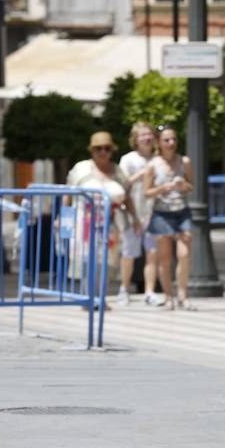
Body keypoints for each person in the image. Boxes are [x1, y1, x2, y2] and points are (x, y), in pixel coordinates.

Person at [64, 131, 137, 301]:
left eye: (107, 148)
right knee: (85, 260)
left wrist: (135, 220)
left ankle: (100, 297)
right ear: (92, 150)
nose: (103, 152)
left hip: (111, 223)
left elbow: (127, 196)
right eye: (99, 149)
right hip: (84, 222)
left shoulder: (118, 171)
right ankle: (87, 296)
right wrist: (63, 218)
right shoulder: (81, 168)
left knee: (106, 261)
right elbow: (67, 194)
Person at [144, 127, 196, 311]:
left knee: (184, 254)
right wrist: (161, 189)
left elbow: (191, 186)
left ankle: (182, 295)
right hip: (162, 214)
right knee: (164, 258)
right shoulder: (153, 165)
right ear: (159, 142)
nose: (171, 143)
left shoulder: (184, 161)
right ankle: (168, 297)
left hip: (181, 211)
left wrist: (184, 186)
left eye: (173, 139)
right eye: (166, 140)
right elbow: (146, 192)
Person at [117, 122, 160, 306]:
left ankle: (149, 291)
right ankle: (124, 289)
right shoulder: (128, 159)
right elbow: (122, 185)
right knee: (129, 253)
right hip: (130, 213)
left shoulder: (158, 159)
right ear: (135, 139)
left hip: (152, 213)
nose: (147, 138)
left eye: (149, 134)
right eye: (143, 135)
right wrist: (142, 173)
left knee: (152, 252)